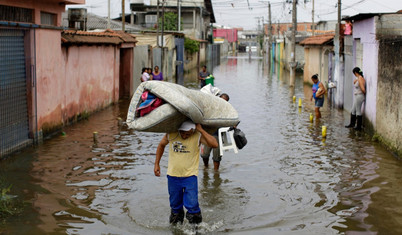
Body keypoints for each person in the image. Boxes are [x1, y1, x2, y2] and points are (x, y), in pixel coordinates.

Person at [154, 121, 218, 225]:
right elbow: (161, 145)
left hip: (190, 176)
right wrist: (157, 164)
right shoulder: (172, 134)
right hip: (173, 176)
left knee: (192, 205)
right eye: (182, 133)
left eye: (187, 134)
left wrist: (201, 130)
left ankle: (196, 229)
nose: (184, 135)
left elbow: (214, 144)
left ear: (193, 131)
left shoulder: (198, 136)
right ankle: (176, 227)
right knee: (175, 206)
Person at [201, 93, 230, 171]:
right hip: (208, 134)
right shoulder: (211, 107)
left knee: (217, 157)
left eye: (225, 101)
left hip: (218, 135)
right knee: (204, 155)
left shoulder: (227, 111)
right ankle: (206, 167)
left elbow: (232, 120)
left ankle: (216, 172)